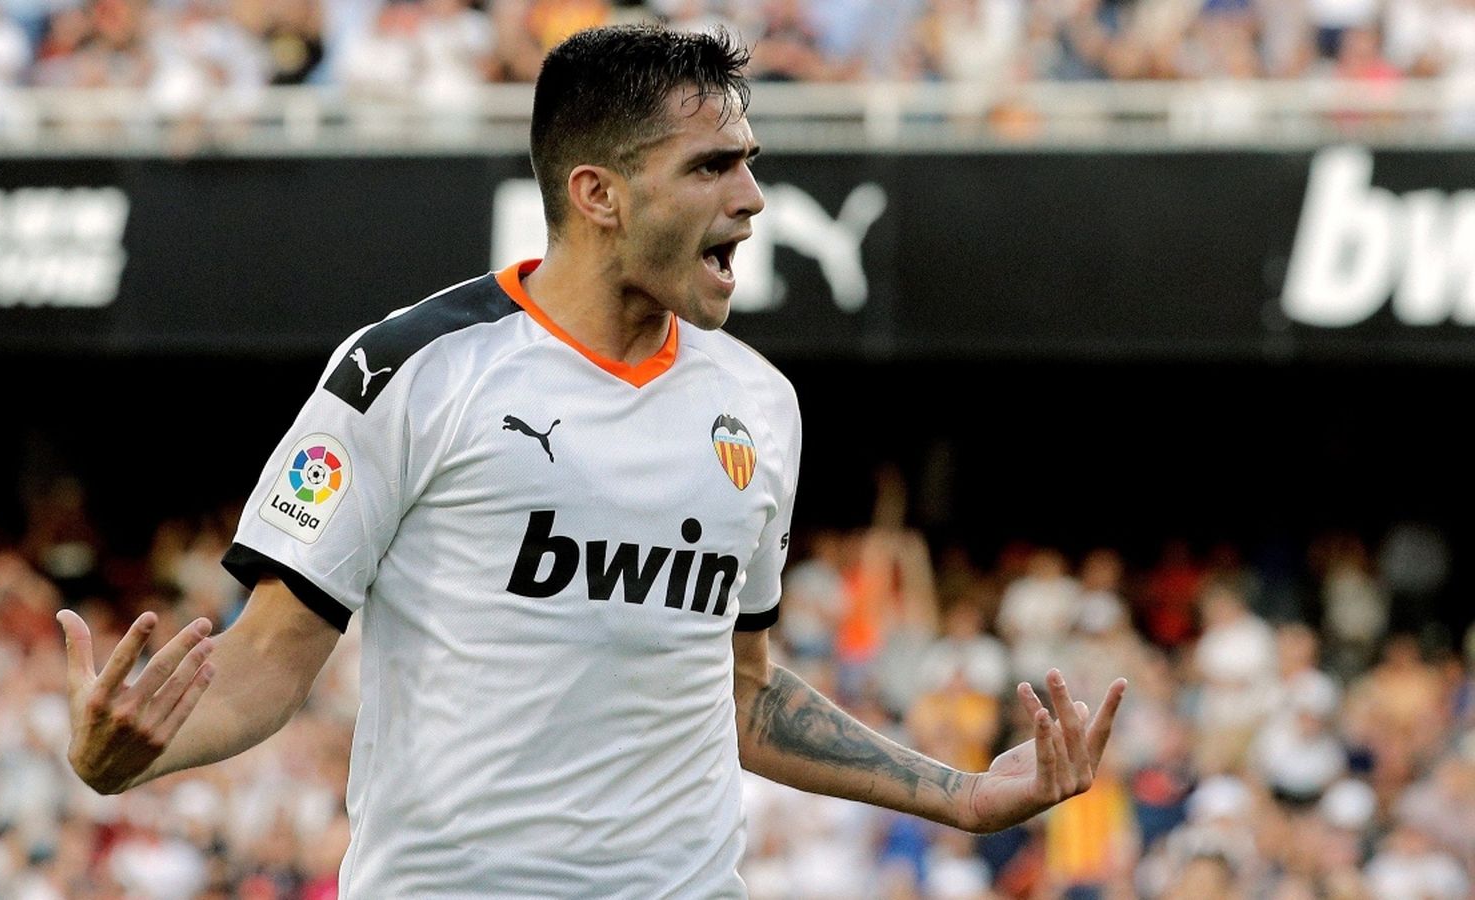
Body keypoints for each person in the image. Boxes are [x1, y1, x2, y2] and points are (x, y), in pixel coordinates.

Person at [54, 24, 1126, 897]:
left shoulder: (759, 404)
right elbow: (270, 658)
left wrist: (957, 793)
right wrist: (132, 750)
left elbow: (736, 692)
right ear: (598, 194)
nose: (750, 200)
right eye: (711, 167)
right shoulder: (410, 370)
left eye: (748, 163)